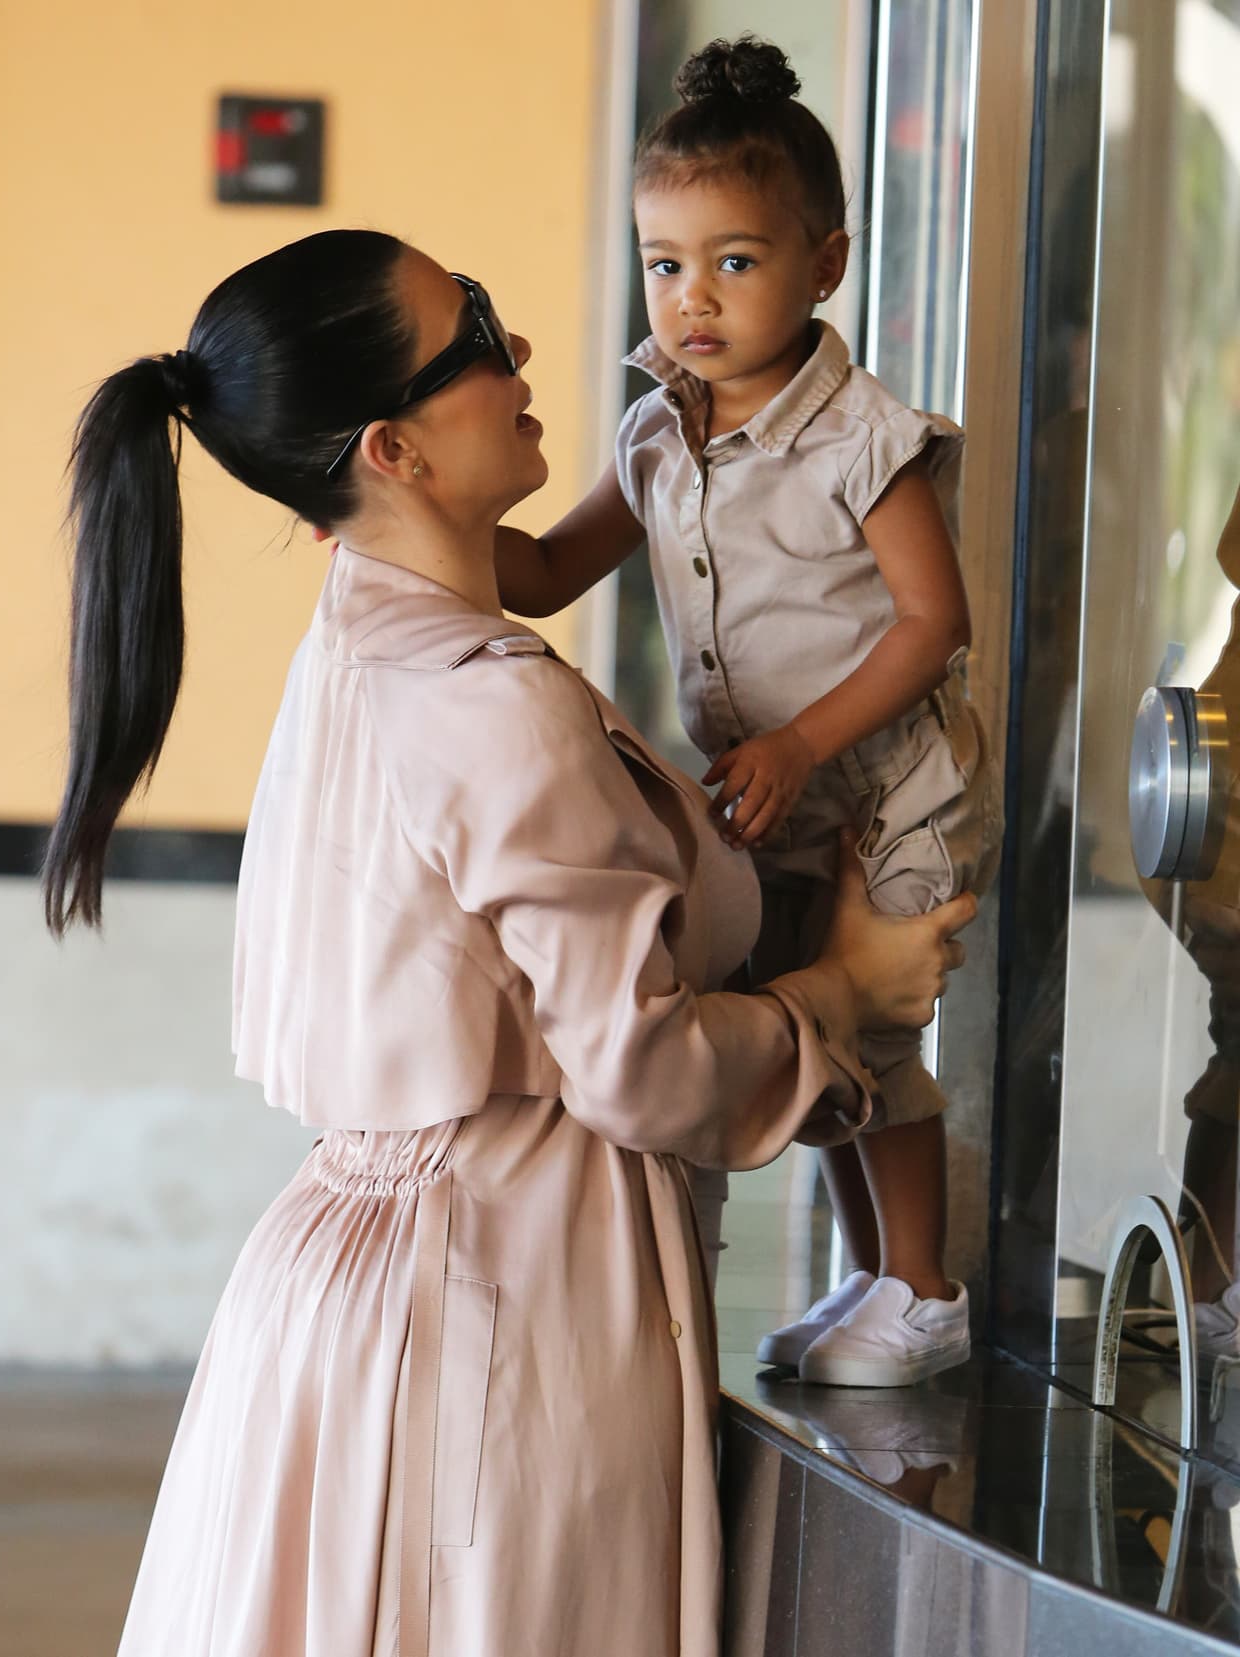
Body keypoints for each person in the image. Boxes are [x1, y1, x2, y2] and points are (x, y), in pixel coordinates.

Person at [43, 227, 975, 1656]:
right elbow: (639, 1064)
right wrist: (838, 992)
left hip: (363, 1289)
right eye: (472, 331)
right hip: (502, 1299)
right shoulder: (486, 698)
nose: (520, 351)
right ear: (393, 451)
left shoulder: (361, 643)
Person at [495, 36, 1003, 1388]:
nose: (693, 298)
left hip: (891, 777)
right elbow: (546, 570)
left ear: (823, 264)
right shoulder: (656, 430)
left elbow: (931, 623)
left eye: (736, 259)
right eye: (666, 263)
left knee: (878, 1031)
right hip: (770, 789)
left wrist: (798, 742)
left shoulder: (861, 438)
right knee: (812, 1033)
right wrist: (415, 526)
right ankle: (872, 1282)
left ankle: (925, 1286)